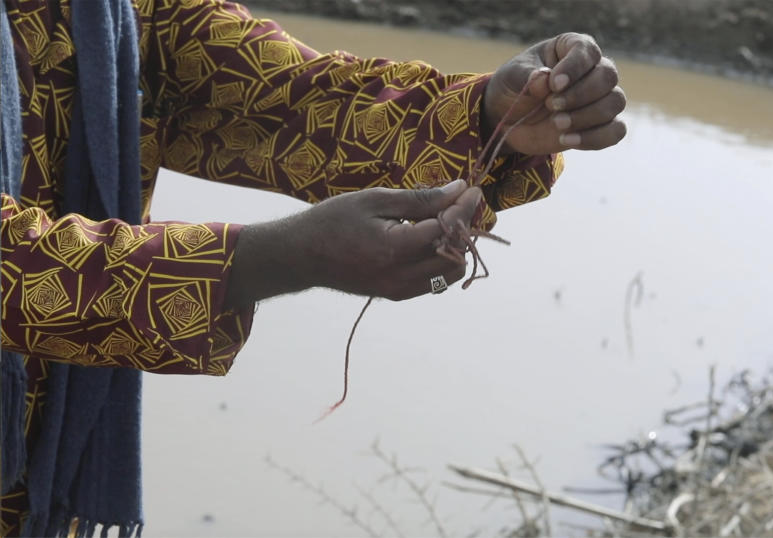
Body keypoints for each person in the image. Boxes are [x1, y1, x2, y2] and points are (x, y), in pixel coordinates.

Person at [0, 0, 626, 535]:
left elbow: (286, 100)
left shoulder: (110, 12)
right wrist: (273, 259)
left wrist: (488, 114)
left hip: (41, 481)